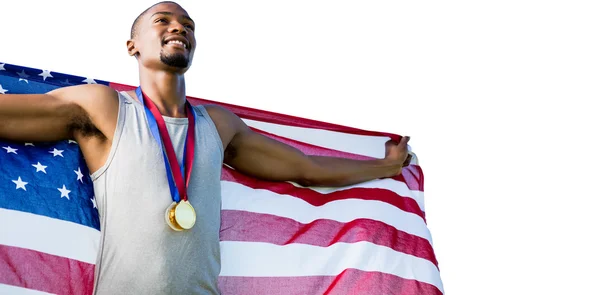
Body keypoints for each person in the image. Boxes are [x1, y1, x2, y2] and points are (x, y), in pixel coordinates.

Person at [0, 1, 412, 294]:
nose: (178, 27)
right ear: (133, 46)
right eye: (162, 20)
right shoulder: (105, 108)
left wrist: (384, 168)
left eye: (188, 24)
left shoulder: (218, 125)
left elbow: (304, 168)